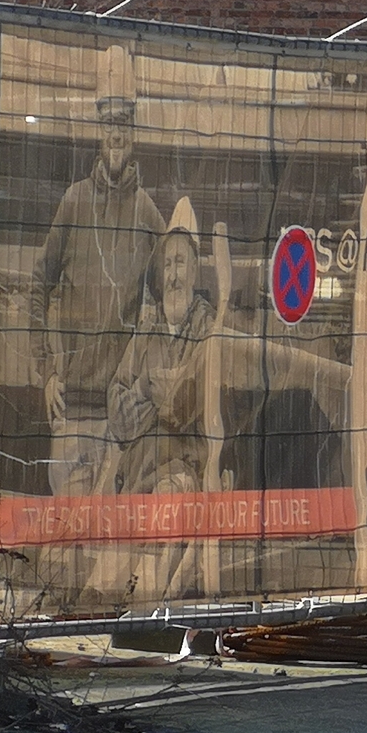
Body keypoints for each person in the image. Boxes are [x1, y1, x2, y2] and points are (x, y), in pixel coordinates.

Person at [33, 44, 163, 492]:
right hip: (70, 413)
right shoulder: (73, 202)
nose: (116, 132)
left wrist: (148, 390)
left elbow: (178, 302)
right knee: (69, 545)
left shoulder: (149, 215)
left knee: (111, 549)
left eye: (124, 121)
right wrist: (46, 373)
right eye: (109, 121)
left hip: (119, 422)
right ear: (98, 128)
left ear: (134, 130)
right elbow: (38, 286)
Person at [95, 198, 221, 601]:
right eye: (167, 265)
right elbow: (117, 405)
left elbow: (185, 406)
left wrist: (155, 395)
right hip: (137, 471)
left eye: (181, 263)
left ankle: (145, 611)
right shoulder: (146, 331)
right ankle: (104, 603)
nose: (173, 274)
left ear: (196, 270)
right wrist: (148, 392)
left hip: (183, 469)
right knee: (116, 545)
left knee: (168, 507)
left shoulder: (209, 329)